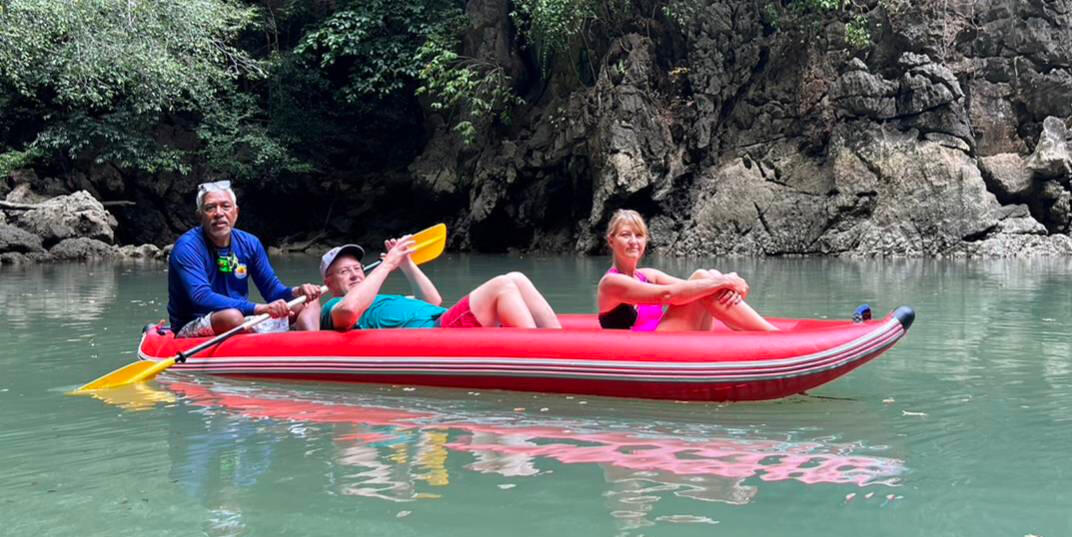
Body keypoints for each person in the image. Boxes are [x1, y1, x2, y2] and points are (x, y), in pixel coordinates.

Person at [167, 180, 323, 337]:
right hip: (196, 322)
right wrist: (259, 308)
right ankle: (261, 347)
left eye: (225, 206)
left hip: (243, 319)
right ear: (200, 216)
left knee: (303, 303)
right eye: (210, 208)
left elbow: (273, 291)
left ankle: (311, 347)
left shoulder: (250, 243)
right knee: (232, 317)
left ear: (236, 212)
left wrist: (298, 291)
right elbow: (201, 296)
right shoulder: (187, 247)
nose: (219, 213)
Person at [319, 236, 561, 331]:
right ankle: (535, 348)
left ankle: (556, 339)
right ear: (329, 283)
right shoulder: (334, 305)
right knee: (502, 285)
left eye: (357, 269)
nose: (354, 275)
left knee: (516, 278)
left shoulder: (382, 300)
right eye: (344, 272)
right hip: (441, 330)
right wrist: (387, 265)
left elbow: (433, 300)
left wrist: (406, 264)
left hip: (443, 319)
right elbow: (349, 312)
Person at [596, 208, 778, 332]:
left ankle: (757, 334)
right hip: (644, 350)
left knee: (707, 276)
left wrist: (730, 283)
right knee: (707, 279)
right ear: (611, 240)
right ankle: (772, 336)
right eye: (625, 235)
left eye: (639, 235)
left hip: (668, 341)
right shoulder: (611, 283)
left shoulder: (648, 275)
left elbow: (700, 288)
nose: (634, 242)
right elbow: (668, 295)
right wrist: (726, 281)